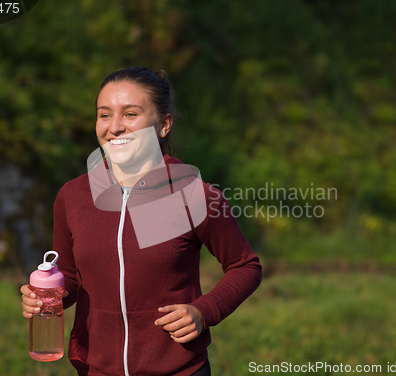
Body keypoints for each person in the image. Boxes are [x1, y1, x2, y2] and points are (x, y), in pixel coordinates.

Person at [21, 67, 262, 376]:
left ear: (163, 125)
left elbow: (245, 266)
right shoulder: (73, 196)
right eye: (105, 115)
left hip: (180, 370)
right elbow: (71, 279)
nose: (115, 128)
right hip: (95, 370)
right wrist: (47, 296)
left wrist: (204, 311)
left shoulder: (194, 194)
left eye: (130, 114)